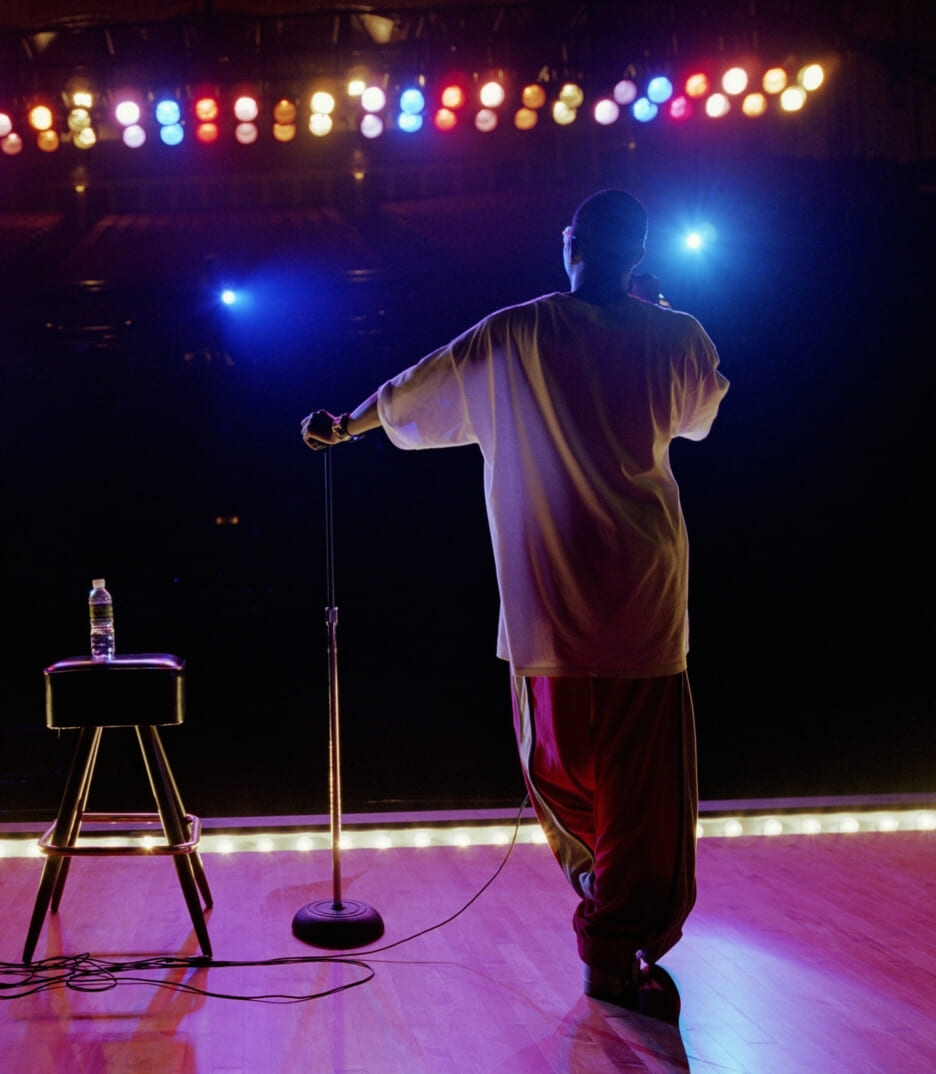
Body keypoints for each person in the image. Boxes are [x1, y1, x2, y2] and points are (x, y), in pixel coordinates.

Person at [301, 189, 728, 1021]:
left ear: (570, 243)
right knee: (645, 794)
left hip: (552, 598)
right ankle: (615, 939)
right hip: (642, 591)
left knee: (560, 773)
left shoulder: (520, 330)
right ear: (637, 252)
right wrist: (660, 311)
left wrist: (342, 428)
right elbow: (702, 413)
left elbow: (414, 390)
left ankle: (604, 918)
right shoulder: (678, 335)